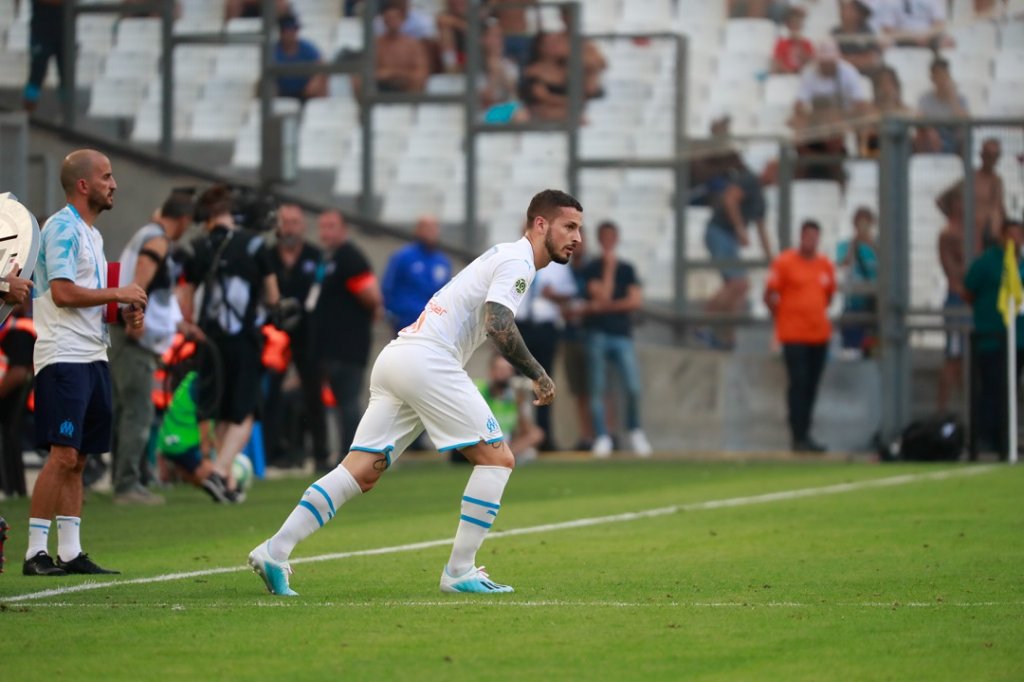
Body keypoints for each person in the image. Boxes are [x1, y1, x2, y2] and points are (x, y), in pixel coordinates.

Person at [248, 189, 581, 596]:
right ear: (540, 224)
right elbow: (498, 323)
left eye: (578, 229)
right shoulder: (518, 260)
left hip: (398, 358)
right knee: (498, 458)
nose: (577, 237)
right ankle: (460, 571)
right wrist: (538, 373)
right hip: (429, 359)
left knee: (362, 470)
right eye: (569, 226)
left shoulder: (505, 255)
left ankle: (274, 550)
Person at [24, 149, 148, 577]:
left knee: (79, 458)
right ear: (84, 185)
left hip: (92, 355)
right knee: (62, 455)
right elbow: (62, 293)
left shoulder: (91, 235)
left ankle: (71, 552)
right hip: (63, 356)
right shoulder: (61, 227)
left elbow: (88, 301)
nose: (114, 184)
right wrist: (119, 294)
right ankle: (35, 552)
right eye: (107, 177)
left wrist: (123, 311)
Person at [180, 185, 280, 497]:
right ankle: (221, 471)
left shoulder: (197, 247)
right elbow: (273, 296)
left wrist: (189, 325)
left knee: (218, 411)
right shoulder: (254, 246)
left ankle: (226, 483)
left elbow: (184, 295)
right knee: (245, 411)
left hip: (209, 339)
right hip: (244, 339)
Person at [109, 190, 195, 506]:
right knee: (138, 411)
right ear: (184, 220)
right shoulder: (157, 241)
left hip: (127, 334)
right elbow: (138, 285)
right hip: (132, 339)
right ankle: (127, 485)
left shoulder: (148, 233)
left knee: (125, 410)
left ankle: (128, 477)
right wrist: (135, 326)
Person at [312, 210, 383, 461]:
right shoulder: (328, 258)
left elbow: (372, 297)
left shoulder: (349, 257)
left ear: (344, 229)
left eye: (331, 226)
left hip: (348, 345)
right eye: (323, 227)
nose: (326, 233)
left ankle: (353, 454)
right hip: (331, 346)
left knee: (348, 402)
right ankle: (346, 452)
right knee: (340, 402)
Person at [264, 203, 327, 471]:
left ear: (302, 226)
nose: (289, 228)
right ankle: (269, 454)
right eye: (284, 222)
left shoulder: (315, 256)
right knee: (271, 394)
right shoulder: (267, 255)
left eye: (294, 222)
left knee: (313, 394)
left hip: (308, 333)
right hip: (274, 332)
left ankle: (321, 454)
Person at [764, 220, 836, 453]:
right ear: (800, 237)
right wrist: (782, 316)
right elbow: (770, 294)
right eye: (807, 236)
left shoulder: (825, 265)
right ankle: (798, 435)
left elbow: (828, 296)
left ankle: (806, 433)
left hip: (819, 334)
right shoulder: (785, 262)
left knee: (812, 385)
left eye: (815, 236)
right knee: (799, 383)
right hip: (793, 334)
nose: (811, 241)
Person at [583, 221, 652, 459]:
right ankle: (602, 435)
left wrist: (605, 306)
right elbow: (601, 295)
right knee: (598, 388)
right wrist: (609, 270)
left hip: (622, 334)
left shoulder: (628, 269)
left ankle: (635, 430)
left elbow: (634, 301)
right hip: (598, 333)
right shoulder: (593, 267)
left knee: (633, 386)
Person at [964, 221, 1024, 459]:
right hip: (993, 337)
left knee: (1011, 388)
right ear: (1001, 235)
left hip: (1019, 338)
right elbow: (968, 290)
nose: (1016, 239)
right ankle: (989, 439)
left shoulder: (1020, 263)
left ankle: (1008, 437)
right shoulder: (987, 262)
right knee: (992, 389)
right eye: (1012, 233)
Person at [702, 155, 771, 348]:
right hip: (720, 231)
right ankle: (703, 325)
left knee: (739, 288)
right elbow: (729, 199)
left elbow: (761, 229)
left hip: (728, 236)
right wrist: (740, 229)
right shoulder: (749, 181)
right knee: (738, 283)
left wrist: (771, 258)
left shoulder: (761, 199)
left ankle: (727, 336)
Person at [516, 249, 577, 451]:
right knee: (517, 384)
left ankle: (544, 436)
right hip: (521, 325)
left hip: (545, 327)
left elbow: (569, 294)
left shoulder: (558, 264)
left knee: (545, 381)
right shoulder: (517, 260)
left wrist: (553, 295)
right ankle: (521, 436)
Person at [155, 371, 236, 502]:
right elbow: (204, 421)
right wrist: (206, 457)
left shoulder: (194, 378)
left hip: (169, 440)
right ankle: (179, 471)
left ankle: (178, 470)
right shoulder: (206, 382)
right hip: (182, 443)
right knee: (216, 478)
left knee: (217, 475)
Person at [381, 215, 452, 336]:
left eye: (435, 228)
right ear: (418, 230)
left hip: (432, 325)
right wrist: (392, 314)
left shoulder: (443, 262)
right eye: (427, 228)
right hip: (405, 323)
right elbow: (388, 286)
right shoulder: (403, 257)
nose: (432, 232)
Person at [476, 355, 544, 463]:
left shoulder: (515, 397)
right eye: (500, 369)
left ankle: (503, 457)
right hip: (483, 443)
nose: (504, 373)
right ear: (491, 371)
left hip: (506, 443)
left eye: (508, 369)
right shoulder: (479, 391)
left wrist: (520, 406)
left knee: (536, 435)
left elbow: (526, 431)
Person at [937, 183, 969, 412]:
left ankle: (963, 408)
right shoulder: (949, 233)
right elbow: (953, 271)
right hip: (957, 298)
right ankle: (944, 409)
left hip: (968, 299)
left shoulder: (970, 230)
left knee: (965, 358)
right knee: (953, 358)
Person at [0, 303, 35, 498]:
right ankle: (14, 489)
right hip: (11, 399)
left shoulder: (19, 329)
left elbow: (19, 372)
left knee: (8, 438)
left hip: (9, 399)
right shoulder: (11, 326)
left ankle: (11, 490)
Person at [835, 207, 878, 356]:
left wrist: (872, 244)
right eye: (860, 223)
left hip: (874, 303)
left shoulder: (878, 245)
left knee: (873, 349)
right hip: (853, 302)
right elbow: (842, 264)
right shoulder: (846, 245)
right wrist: (855, 244)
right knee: (851, 350)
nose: (863, 227)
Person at [953, 139, 1007, 252]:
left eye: (995, 155)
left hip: (991, 233)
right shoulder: (971, 178)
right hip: (971, 232)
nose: (991, 159)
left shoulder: (997, 181)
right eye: (988, 155)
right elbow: (944, 200)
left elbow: (999, 206)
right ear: (982, 155)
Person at [372, 0, 430, 93]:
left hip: (407, 85)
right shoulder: (376, 44)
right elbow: (370, 71)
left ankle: (412, 105)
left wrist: (397, 74)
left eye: (395, 18)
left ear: (402, 19)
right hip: (381, 85)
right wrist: (388, 75)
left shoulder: (413, 44)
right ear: (384, 20)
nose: (392, 22)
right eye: (389, 18)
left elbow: (422, 70)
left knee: (418, 79)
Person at [916, 58, 969, 155]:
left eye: (944, 75)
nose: (941, 79)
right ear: (932, 78)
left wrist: (952, 98)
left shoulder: (960, 99)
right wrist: (931, 130)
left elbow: (965, 122)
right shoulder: (925, 99)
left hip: (953, 138)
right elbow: (920, 119)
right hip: (932, 140)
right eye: (938, 76)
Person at [23, 0, 65, 112]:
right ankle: (28, 113)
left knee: (66, 76)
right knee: (37, 73)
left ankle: (67, 113)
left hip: (64, 30)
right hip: (41, 30)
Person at [274, 13, 327, 101]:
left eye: (294, 29)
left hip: (305, 94)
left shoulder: (307, 48)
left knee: (321, 78)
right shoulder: (274, 51)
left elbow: (321, 66)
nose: (292, 34)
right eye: (288, 30)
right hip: (282, 94)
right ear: (281, 32)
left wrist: (314, 83)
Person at [874, 0, 953, 49]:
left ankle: (939, 72)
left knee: (947, 41)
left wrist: (926, 36)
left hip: (929, 37)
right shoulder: (889, 1)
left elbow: (939, 24)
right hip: (901, 38)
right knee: (883, 43)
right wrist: (912, 37)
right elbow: (888, 29)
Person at [832, 0, 882, 75]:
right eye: (847, 9)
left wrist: (846, 60)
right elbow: (832, 61)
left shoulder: (868, 32)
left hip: (865, 74)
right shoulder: (835, 32)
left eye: (852, 10)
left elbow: (872, 60)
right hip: (842, 77)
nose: (846, 12)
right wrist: (858, 59)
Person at [772, 6, 814, 75]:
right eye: (792, 24)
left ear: (801, 25)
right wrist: (789, 72)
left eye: (797, 24)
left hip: (802, 76)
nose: (795, 26)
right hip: (786, 76)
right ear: (788, 25)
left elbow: (809, 63)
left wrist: (799, 44)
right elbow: (778, 62)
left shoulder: (806, 43)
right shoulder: (781, 42)